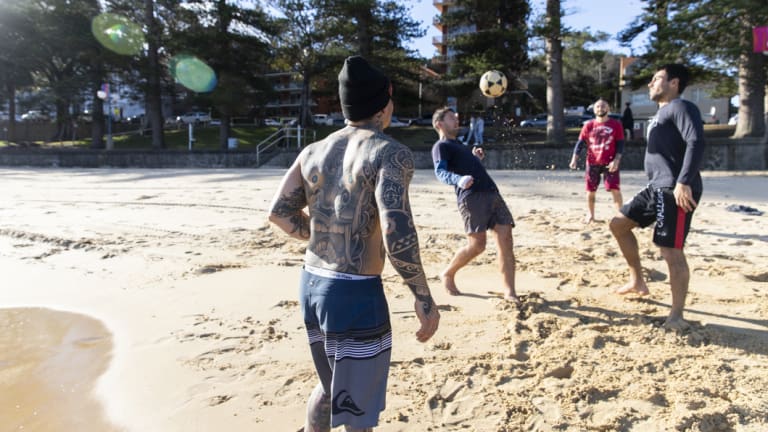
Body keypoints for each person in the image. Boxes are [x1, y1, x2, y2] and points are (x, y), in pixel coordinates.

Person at [267, 55, 440, 431]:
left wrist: (324, 235)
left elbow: (279, 213)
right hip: (354, 296)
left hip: (312, 284)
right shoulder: (389, 152)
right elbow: (396, 230)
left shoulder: (312, 151)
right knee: (356, 408)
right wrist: (422, 296)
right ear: (384, 105)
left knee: (331, 387)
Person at [609, 63, 705, 330]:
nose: (651, 83)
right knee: (618, 225)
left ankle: (676, 316)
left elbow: (696, 141)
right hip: (656, 187)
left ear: (674, 83)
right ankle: (637, 281)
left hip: (675, 189)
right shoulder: (662, 113)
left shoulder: (682, 107)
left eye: (657, 78)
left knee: (671, 250)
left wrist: (684, 181)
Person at [430, 107, 519, 303]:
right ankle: (448, 272)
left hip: (492, 192)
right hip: (471, 198)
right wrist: (458, 180)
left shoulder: (461, 145)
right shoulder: (441, 146)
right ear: (439, 124)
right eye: (451, 117)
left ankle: (510, 292)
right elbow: (440, 172)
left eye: (456, 116)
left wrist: (475, 159)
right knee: (478, 246)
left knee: (506, 238)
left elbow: (466, 166)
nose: (456, 119)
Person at [569, 98, 625, 224]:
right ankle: (591, 215)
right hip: (592, 162)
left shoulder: (616, 124)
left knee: (615, 189)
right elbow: (580, 143)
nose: (600, 108)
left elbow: (620, 144)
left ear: (608, 108)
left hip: (610, 162)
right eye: (598, 106)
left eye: (603, 106)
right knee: (590, 191)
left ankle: (620, 216)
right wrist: (574, 159)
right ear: (594, 110)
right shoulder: (588, 125)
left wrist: (616, 160)